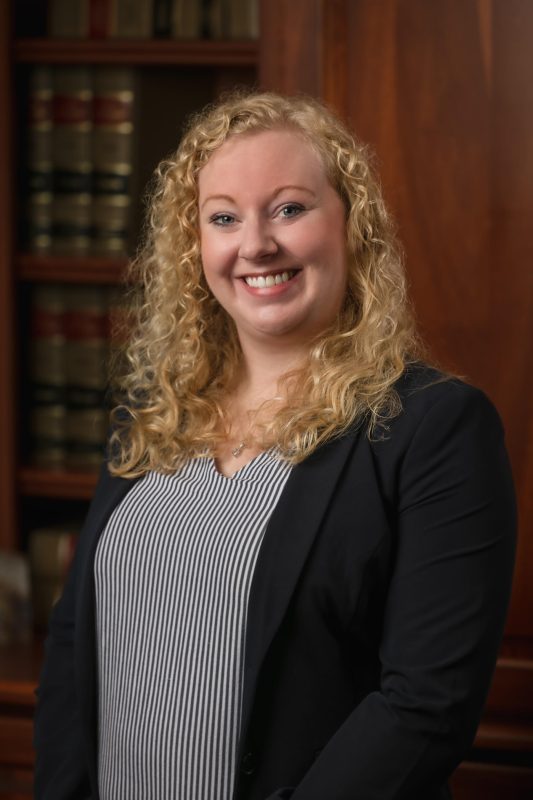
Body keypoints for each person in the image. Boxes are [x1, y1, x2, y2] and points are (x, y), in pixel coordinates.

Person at [34, 91, 516, 800]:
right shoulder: (154, 414)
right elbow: (77, 641)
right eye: (223, 217)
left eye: (289, 208)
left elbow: (425, 705)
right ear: (194, 245)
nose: (254, 244)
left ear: (351, 225)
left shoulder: (433, 428)